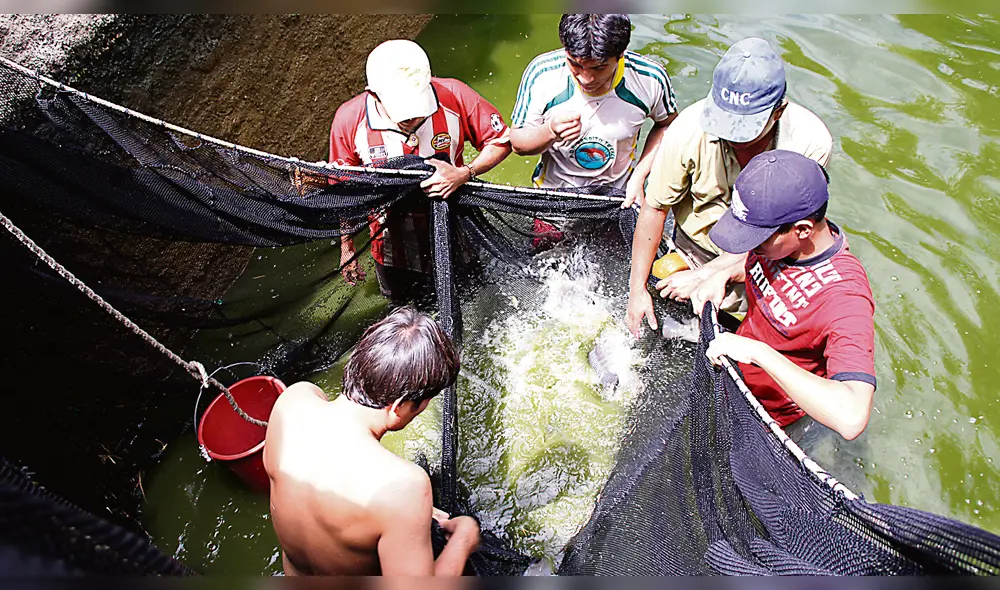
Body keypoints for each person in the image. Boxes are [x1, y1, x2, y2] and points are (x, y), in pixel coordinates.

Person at [626, 37, 832, 338]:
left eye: (745, 128)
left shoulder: (809, 144)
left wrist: (710, 275)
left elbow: (793, 237)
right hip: (694, 249)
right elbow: (655, 208)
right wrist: (637, 291)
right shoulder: (688, 130)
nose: (734, 137)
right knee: (661, 280)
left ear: (778, 111)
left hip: (769, 259)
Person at [263, 306, 481, 576]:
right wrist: (464, 539)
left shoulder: (293, 401)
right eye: (426, 401)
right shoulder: (405, 488)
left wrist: (403, 516)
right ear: (399, 406)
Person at [687, 150, 876, 441]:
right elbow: (763, 263)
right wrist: (723, 275)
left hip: (770, 419)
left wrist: (757, 352)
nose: (752, 246)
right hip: (731, 379)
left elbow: (851, 416)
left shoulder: (845, 298)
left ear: (802, 230)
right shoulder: (783, 243)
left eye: (758, 239)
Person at [330, 39, 512, 299]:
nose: (411, 119)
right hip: (392, 247)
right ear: (373, 94)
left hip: (455, 232)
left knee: (475, 300)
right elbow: (342, 190)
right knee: (405, 319)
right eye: (403, 113)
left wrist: (466, 172)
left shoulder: (454, 95)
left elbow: (500, 140)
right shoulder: (350, 121)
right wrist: (347, 247)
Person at [509, 14, 677, 207]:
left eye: (599, 68)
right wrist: (549, 131)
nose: (586, 78)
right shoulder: (542, 74)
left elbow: (668, 125)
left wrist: (639, 177)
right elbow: (518, 144)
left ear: (621, 54)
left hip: (617, 201)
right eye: (575, 64)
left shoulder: (649, 79)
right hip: (552, 198)